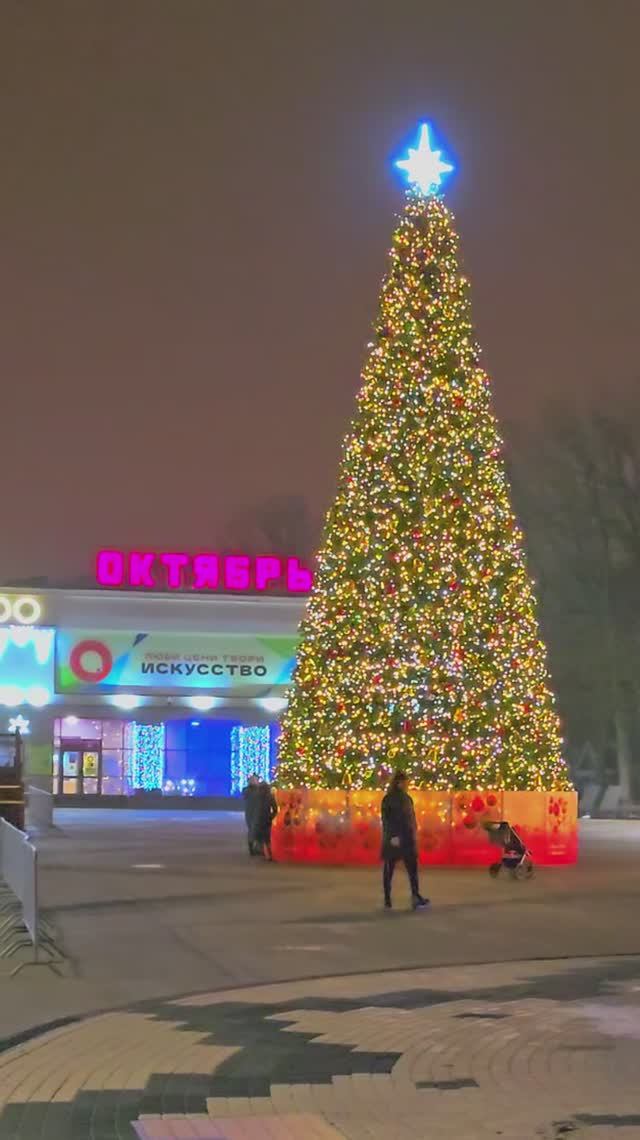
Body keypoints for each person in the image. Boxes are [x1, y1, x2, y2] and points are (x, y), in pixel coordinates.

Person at [381, 770, 429, 910]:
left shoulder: (404, 798)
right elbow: (387, 820)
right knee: (390, 869)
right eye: (405, 781)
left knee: (410, 868)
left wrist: (414, 829)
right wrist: (393, 836)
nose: (407, 784)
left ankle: (413, 896)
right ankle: (388, 898)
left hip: (405, 837)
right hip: (397, 838)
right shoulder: (391, 799)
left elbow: (410, 817)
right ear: (399, 782)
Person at [254, 781, 278, 861]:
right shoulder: (270, 796)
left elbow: (254, 808)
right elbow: (275, 809)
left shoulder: (256, 796)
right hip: (267, 818)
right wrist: (271, 816)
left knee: (261, 837)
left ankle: (265, 853)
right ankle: (269, 854)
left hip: (258, 818)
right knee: (267, 837)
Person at [242, 775, 260, 855]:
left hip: (253, 812)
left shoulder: (248, 790)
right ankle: (252, 848)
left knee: (254, 829)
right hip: (253, 812)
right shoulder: (252, 791)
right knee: (253, 829)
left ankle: (255, 847)